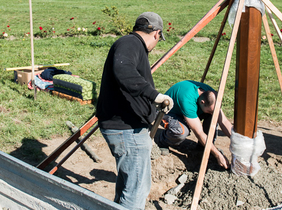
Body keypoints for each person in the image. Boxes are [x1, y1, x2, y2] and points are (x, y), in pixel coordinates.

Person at [95, 12, 173, 210]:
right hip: (126, 130)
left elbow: (128, 84)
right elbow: (124, 71)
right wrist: (155, 96)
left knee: (127, 187)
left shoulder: (130, 44)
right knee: (136, 191)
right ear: (156, 34)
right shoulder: (130, 43)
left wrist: (150, 105)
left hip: (126, 128)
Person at [155, 80, 233, 169]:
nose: (211, 112)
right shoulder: (187, 100)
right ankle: (162, 141)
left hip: (186, 111)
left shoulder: (211, 96)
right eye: (210, 110)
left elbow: (224, 122)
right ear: (202, 102)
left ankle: (203, 147)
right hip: (168, 112)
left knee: (213, 117)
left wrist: (238, 142)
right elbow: (199, 132)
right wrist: (218, 155)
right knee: (181, 131)